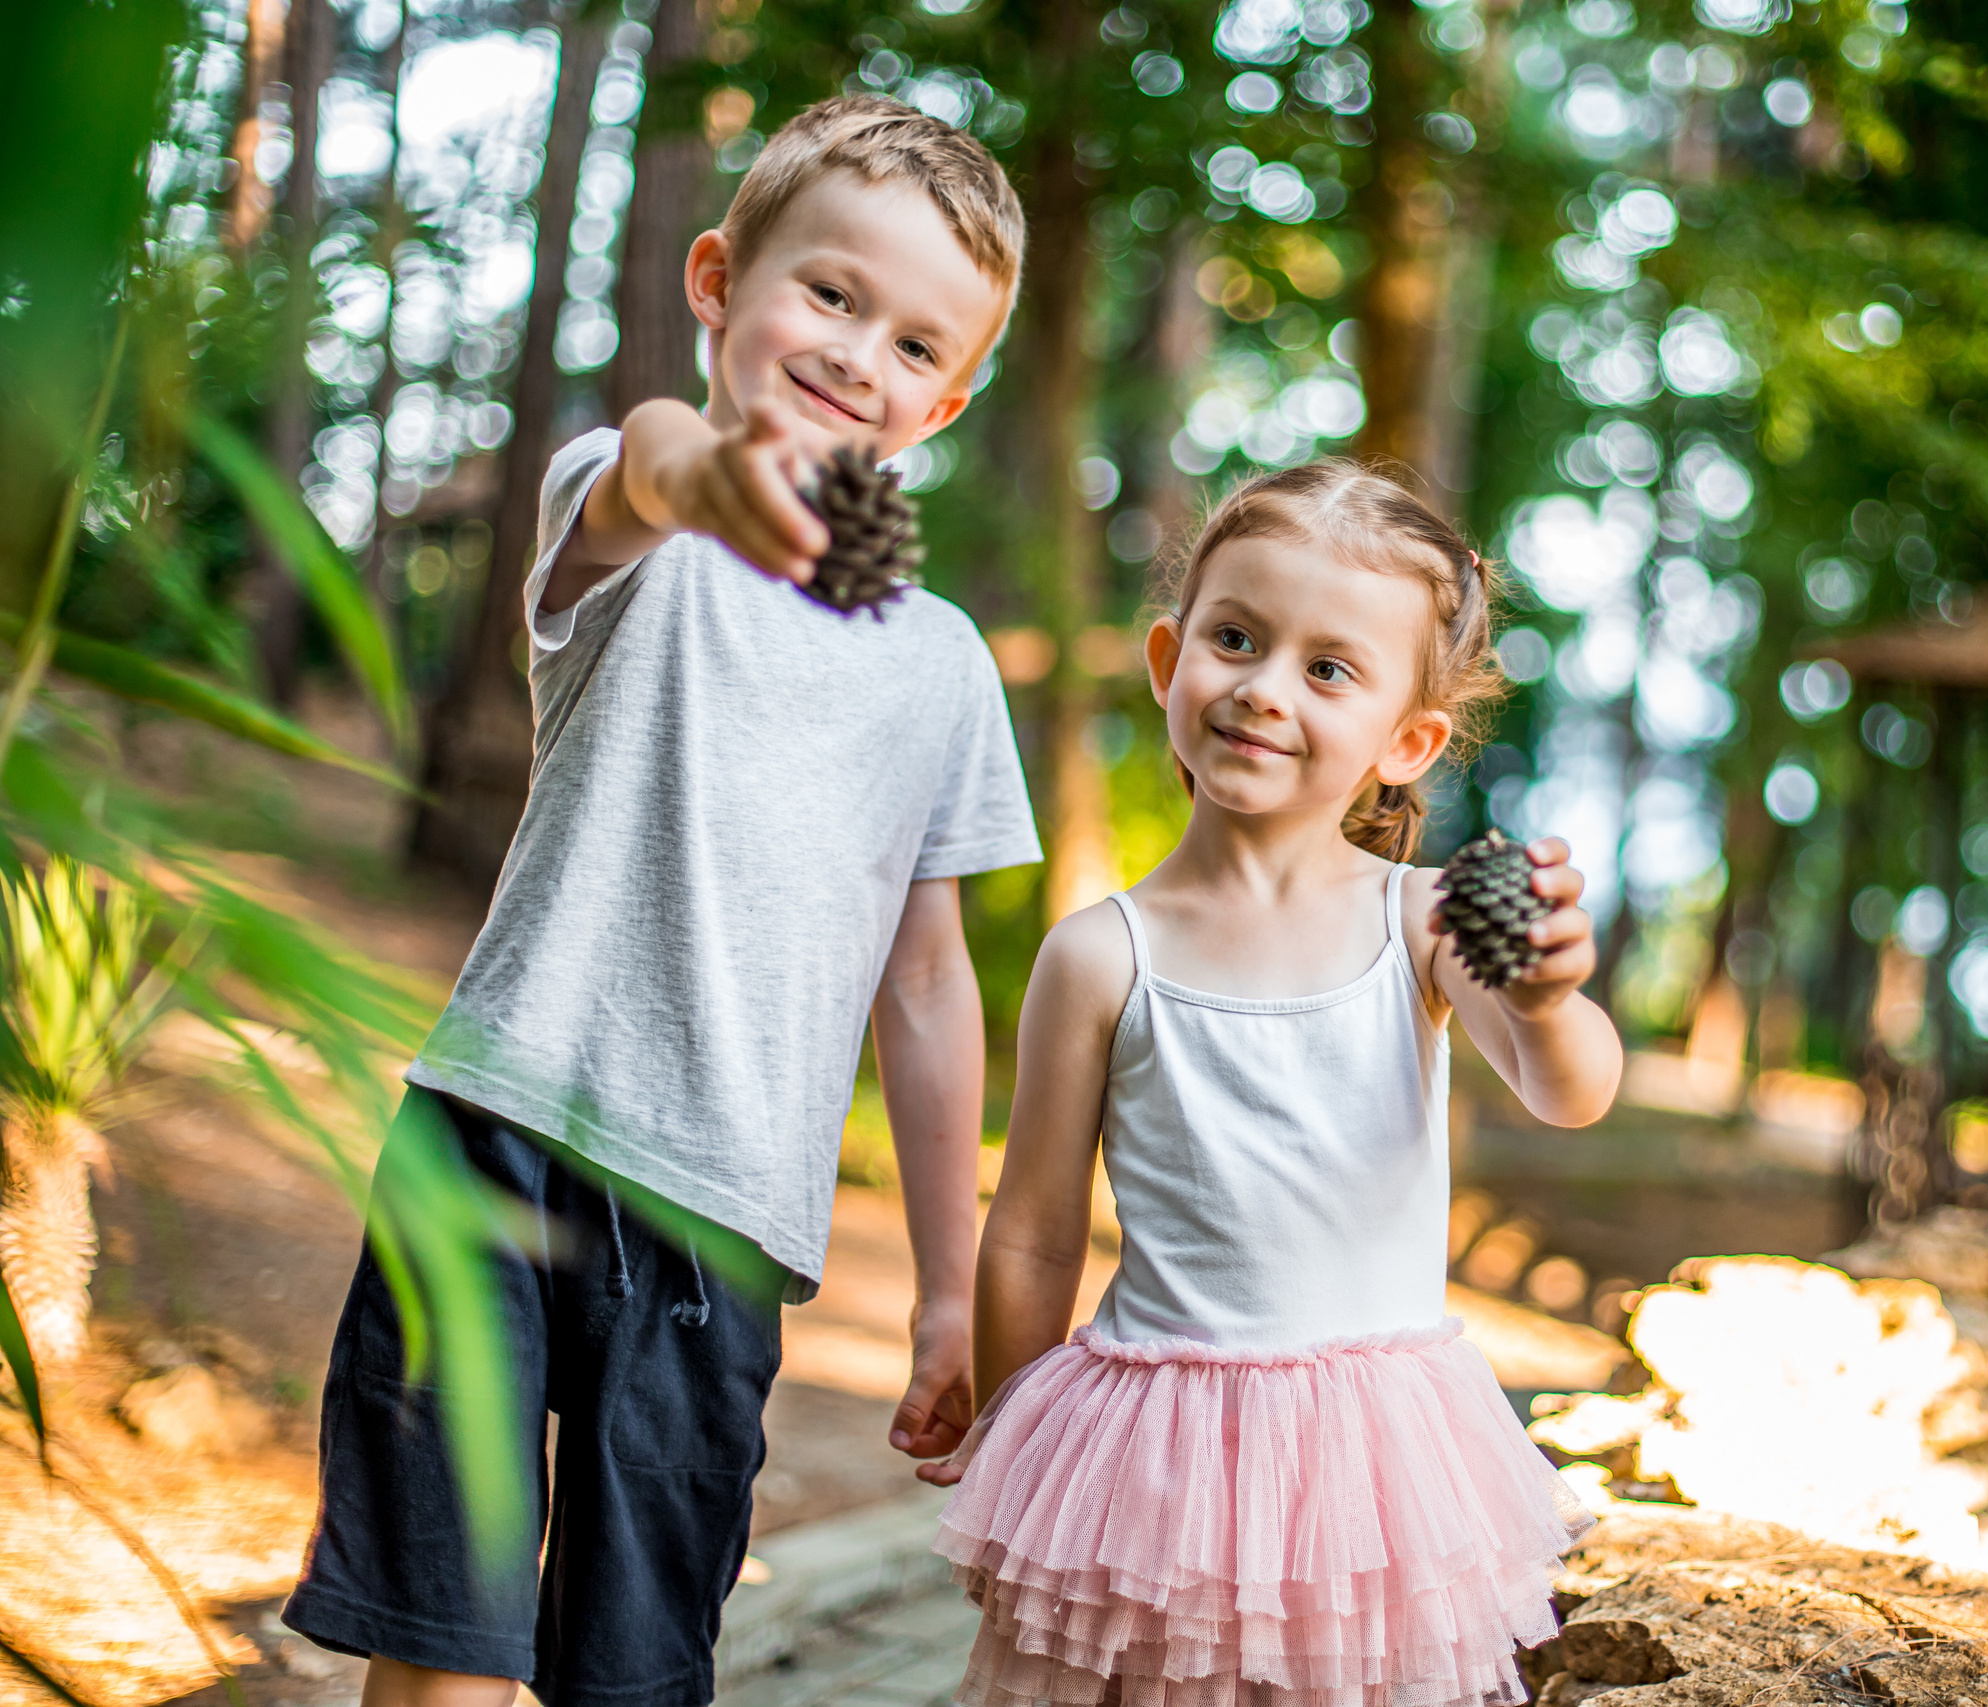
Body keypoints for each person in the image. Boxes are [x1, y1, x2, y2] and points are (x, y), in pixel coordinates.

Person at [282, 95, 1040, 1707]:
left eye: (915, 343)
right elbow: (647, 459)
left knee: (631, 1671)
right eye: (827, 294)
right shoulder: (630, 510)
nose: (857, 354)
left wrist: (951, 1282)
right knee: (441, 1648)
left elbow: (928, 984)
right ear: (717, 278)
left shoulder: (945, 666)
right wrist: (706, 478)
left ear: (950, 399)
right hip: (491, 1141)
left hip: (719, 1228)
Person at [930, 461, 1625, 1707]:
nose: (1261, 690)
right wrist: (1006, 1446)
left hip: (1372, 1470)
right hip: (1151, 1459)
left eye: (1328, 669)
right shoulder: (1099, 954)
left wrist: (1550, 999)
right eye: (1236, 640)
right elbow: (1032, 1235)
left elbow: (1566, 1092)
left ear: (1405, 742)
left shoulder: (1423, 922)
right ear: (1167, 656)